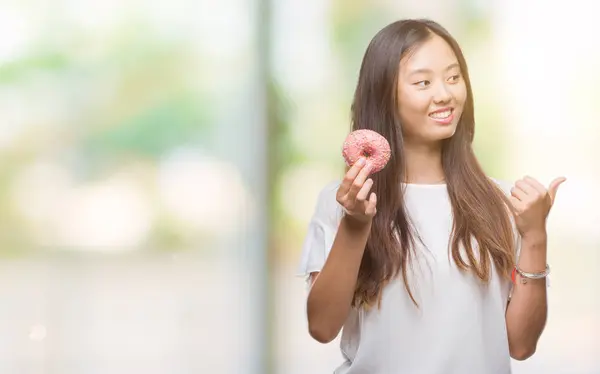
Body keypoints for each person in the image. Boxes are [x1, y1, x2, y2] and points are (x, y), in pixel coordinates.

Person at [297, 19, 565, 374]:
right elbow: (322, 327)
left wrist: (534, 237)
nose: (444, 94)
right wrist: (356, 225)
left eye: (453, 78)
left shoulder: (500, 201)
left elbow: (521, 344)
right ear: (384, 95)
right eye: (423, 82)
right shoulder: (343, 200)